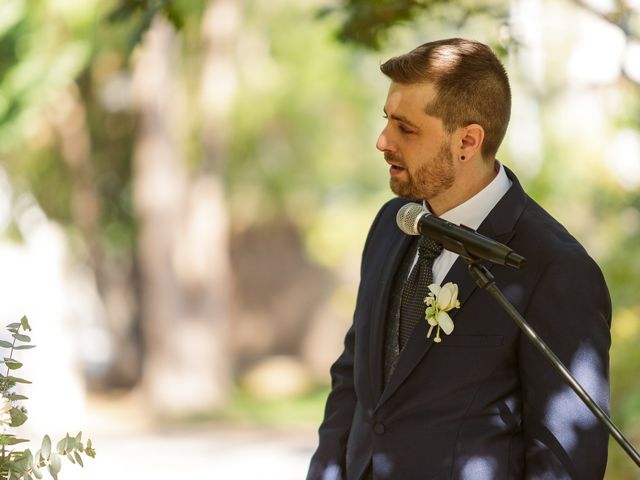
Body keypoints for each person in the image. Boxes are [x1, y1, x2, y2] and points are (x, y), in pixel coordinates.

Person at [306, 38, 612, 480]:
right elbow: (353, 385)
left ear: (467, 140)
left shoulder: (556, 269)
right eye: (386, 121)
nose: (382, 141)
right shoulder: (391, 224)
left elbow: (565, 460)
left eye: (405, 129)